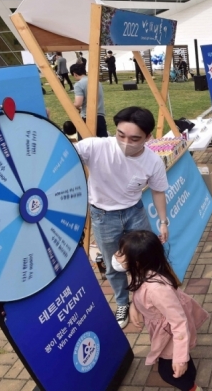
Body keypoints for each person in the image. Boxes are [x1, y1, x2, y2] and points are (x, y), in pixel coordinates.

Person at [74, 106, 170, 328]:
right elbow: (65, 152)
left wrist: (163, 222)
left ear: (148, 137)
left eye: (135, 138)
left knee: (145, 258)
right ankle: (122, 302)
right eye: (121, 135)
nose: (126, 142)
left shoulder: (153, 161)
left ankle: (147, 297)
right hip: (103, 215)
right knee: (113, 263)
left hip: (134, 212)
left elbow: (158, 191)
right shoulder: (96, 146)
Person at [122, 231, 207, 391]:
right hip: (165, 329)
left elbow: (179, 323)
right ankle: (187, 371)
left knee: (167, 371)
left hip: (170, 332)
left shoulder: (157, 290)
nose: (117, 256)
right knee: (173, 364)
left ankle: (193, 387)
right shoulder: (142, 271)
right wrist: (134, 305)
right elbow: (138, 288)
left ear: (137, 261)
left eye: (121, 254)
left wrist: (181, 358)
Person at [71, 63, 108, 138]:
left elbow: (78, 103)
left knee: (85, 146)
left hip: (87, 118)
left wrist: (72, 105)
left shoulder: (79, 84)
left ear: (74, 74)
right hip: (100, 117)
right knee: (102, 145)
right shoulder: (97, 82)